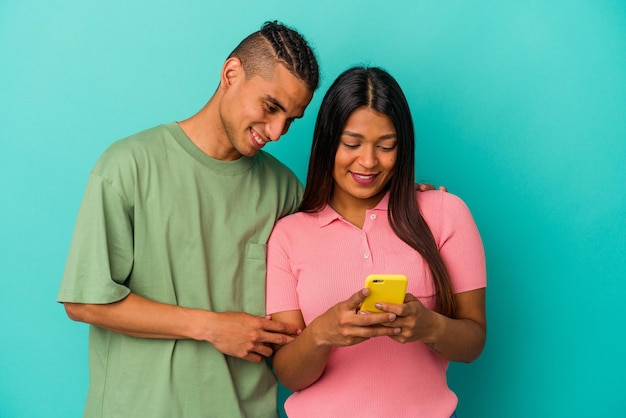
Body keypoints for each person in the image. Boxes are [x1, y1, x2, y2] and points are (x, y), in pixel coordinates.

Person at [57, 21, 319, 418]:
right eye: (271, 107)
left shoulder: (286, 190)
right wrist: (211, 326)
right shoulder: (128, 165)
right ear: (231, 74)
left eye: (292, 119)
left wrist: (398, 192)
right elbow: (84, 301)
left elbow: (339, 244)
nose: (278, 131)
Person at [266, 67, 487, 417]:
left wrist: (430, 326)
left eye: (386, 147)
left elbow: (473, 342)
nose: (368, 162)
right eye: (351, 144)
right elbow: (290, 375)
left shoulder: (446, 214)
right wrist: (322, 333)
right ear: (327, 143)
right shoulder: (288, 235)